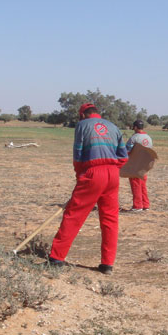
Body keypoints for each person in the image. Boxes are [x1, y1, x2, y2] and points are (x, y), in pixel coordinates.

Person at [48, 103, 128, 273]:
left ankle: (56, 258)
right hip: (113, 174)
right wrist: (113, 169)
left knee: (73, 215)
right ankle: (107, 264)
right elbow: (123, 156)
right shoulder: (113, 127)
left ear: (83, 115)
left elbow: (78, 156)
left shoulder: (82, 126)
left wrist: (80, 177)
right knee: (110, 219)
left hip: (93, 172)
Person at [126, 119, 153, 211]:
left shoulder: (134, 138)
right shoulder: (148, 138)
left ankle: (137, 206)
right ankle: (145, 204)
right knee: (142, 185)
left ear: (135, 127)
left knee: (136, 184)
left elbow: (127, 151)